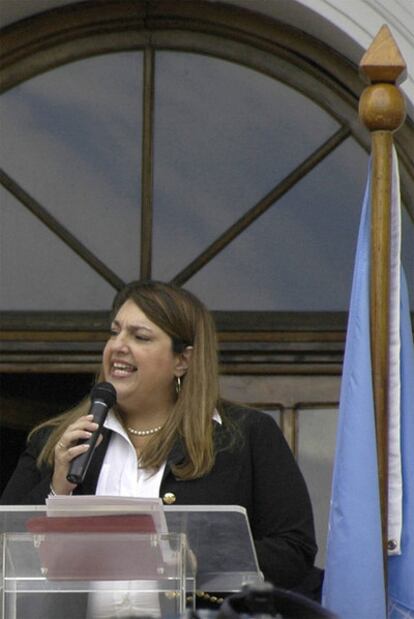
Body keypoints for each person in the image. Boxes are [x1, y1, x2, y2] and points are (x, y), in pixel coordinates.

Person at [1, 280, 317, 601]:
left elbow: (294, 550)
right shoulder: (55, 440)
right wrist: (57, 486)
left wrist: (196, 561)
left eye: (140, 337)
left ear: (183, 360)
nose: (118, 345)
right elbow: (5, 548)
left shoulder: (246, 435)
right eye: (115, 332)